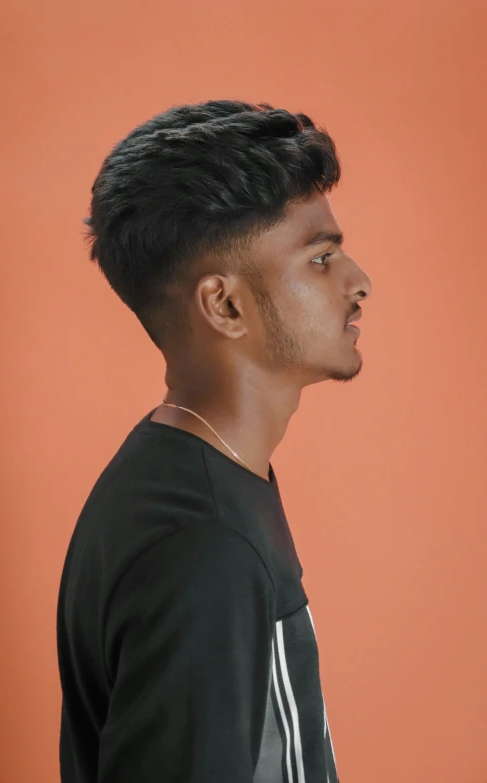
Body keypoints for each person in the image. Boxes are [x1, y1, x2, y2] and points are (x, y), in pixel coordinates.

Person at [56, 99, 372, 783]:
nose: (358, 282)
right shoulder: (203, 544)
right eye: (321, 259)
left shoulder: (191, 476)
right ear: (225, 305)